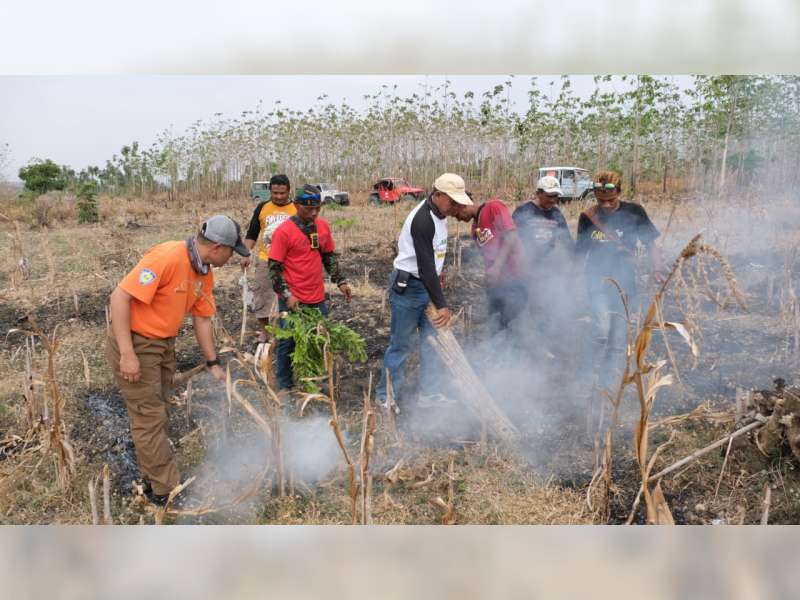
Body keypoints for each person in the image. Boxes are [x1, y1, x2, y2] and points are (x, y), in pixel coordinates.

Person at [106, 215, 250, 505]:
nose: (233, 257)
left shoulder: (203, 272)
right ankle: (165, 491)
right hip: (136, 342)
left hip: (163, 344)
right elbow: (120, 297)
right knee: (149, 416)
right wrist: (127, 353)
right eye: (232, 251)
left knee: (158, 409)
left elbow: (202, 319)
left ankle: (153, 473)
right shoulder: (168, 257)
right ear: (219, 247)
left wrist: (213, 363)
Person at [375, 173, 473, 411]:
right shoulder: (423, 220)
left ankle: (429, 393)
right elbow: (425, 267)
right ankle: (385, 398)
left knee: (432, 342)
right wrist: (441, 304)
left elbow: (434, 261)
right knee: (401, 345)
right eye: (452, 202)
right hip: (409, 287)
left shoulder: (442, 213)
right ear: (437, 195)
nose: (456, 207)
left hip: (427, 285)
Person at [576, 170, 661, 391]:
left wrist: (656, 269)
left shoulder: (635, 212)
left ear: (620, 193)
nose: (605, 204)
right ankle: (585, 376)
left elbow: (651, 243)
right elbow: (579, 253)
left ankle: (608, 384)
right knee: (602, 332)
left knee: (618, 337)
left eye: (610, 200)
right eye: (600, 200)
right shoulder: (588, 216)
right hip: (596, 283)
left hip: (625, 285)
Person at [268, 184, 352, 391]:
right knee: (287, 342)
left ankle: (312, 383)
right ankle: (284, 387)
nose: (314, 212)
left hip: (317, 297)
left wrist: (340, 281)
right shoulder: (284, 232)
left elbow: (328, 256)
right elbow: (274, 269)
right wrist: (287, 295)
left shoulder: (322, 227)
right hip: (293, 299)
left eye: (317, 208)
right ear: (296, 205)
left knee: (318, 339)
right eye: (308, 208)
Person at [512, 176, 576, 357]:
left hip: (546, 268)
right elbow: (510, 238)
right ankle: (520, 343)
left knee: (545, 304)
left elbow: (566, 240)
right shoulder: (523, 211)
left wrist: (574, 260)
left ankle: (544, 343)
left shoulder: (556, 213)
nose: (553, 200)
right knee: (523, 305)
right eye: (549, 196)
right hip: (524, 267)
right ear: (538, 193)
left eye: (556, 196)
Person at [454, 194, 527, 333]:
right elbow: (488, 256)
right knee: (495, 324)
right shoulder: (475, 229)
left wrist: (497, 267)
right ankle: (497, 352)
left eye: (456, 213)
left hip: (515, 278)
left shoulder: (494, 207)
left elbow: (511, 236)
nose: (457, 218)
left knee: (510, 324)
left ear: (463, 204)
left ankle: (515, 352)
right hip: (498, 284)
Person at [241, 174, 297, 344]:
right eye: (275, 193)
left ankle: (290, 330)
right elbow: (252, 234)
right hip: (267, 260)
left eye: (282, 193)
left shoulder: (296, 209)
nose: (279, 197)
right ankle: (265, 331)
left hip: (292, 262)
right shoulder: (262, 208)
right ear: (270, 191)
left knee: (291, 296)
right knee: (262, 295)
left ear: (289, 191)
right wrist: (246, 253)